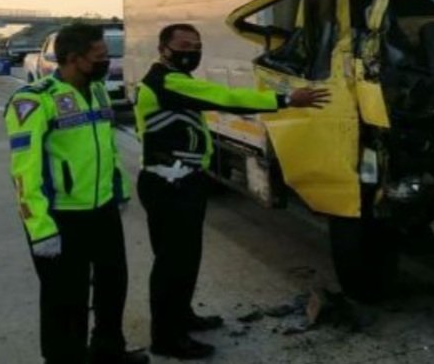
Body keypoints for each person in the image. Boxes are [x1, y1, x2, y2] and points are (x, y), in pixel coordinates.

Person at [135, 24, 329, 359]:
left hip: (181, 181)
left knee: (185, 259)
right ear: (163, 48)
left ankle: (182, 316)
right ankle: (166, 338)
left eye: (196, 45)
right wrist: (285, 99)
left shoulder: (176, 79)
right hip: (168, 185)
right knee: (172, 264)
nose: (192, 51)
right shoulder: (164, 82)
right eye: (184, 45)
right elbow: (225, 97)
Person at [4, 24, 149, 364]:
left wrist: (118, 190)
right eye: (99, 56)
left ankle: (108, 352)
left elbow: (108, 146)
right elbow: (24, 172)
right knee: (66, 301)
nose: (106, 61)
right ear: (72, 58)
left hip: (102, 209)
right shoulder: (34, 100)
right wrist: (40, 228)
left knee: (113, 286)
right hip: (60, 217)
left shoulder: (97, 91)